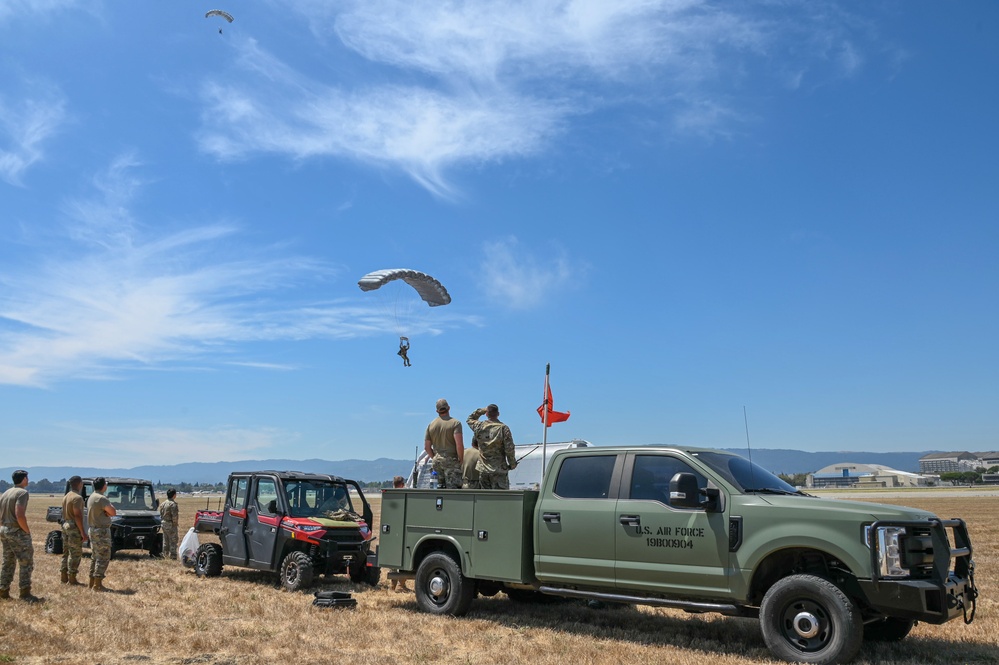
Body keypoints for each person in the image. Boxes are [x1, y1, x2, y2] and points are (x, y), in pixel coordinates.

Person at [0, 470, 42, 602]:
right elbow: (20, 515)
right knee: (26, 562)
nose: (28, 480)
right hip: (16, 531)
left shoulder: (6, 493)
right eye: (27, 478)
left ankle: (3, 590)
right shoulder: (22, 493)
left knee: (8, 561)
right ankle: (25, 593)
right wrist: (26, 531)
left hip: (4, 529)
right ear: (23, 479)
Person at [466, 404, 517, 489]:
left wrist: (482, 410)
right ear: (498, 414)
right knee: (500, 497)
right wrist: (512, 464)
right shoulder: (503, 428)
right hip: (499, 470)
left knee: (486, 498)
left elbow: (470, 419)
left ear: (486, 414)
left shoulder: (479, 426)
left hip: (483, 469)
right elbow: (509, 449)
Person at [424, 399, 464, 489]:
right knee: (453, 491)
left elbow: (427, 447)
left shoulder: (431, 425)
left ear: (437, 411)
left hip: (437, 461)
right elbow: (459, 444)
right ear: (448, 408)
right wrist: (461, 459)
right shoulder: (455, 423)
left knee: (438, 489)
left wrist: (434, 457)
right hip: (451, 461)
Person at [86, 477, 117, 591]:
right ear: (104, 486)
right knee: (103, 557)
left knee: (95, 556)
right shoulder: (102, 498)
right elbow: (113, 512)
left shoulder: (92, 497)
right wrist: (107, 513)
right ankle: (97, 584)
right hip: (101, 531)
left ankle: (92, 581)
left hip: (93, 529)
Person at [60, 476, 87, 585]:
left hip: (65, 524)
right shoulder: (77, 498)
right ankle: (72, 578)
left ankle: (63, 576)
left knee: (66, 552)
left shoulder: (66, 496)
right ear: (80, 484)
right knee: (75, 553)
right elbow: (77, 515)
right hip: (73, 526)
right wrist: (82, 531)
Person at [159, 488, 179, 560]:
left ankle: (165, 555)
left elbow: (160, 514)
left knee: (165, 540)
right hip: (170, 524)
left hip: (164, 523)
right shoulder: (173, 504)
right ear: (174, 495)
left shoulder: (163, 504)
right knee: (173, 540)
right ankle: (173, 556)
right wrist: (175, 524)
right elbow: (174, 516)